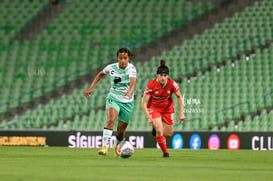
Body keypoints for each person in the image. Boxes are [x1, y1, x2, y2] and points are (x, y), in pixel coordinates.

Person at [84, 48, 137, 157]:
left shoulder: (131, 69)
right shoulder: (111, 67)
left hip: (127, 102)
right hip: (113, 98)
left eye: (125, 58)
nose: (123, 61)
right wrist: (91, 87)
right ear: (117, 58)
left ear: (129, 58)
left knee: (121, 131)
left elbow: (132, 84)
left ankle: (117, 148)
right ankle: (104, 147)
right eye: (120, 58)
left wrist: (129, 92)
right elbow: (100, 74)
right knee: (111, 119)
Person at [141, 60, 185, 158]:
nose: (163, 77)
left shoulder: (172, 84)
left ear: (167, 76)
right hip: (154, 108)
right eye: (161, 75)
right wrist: (148, 117)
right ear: (157, 76)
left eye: (165, 75)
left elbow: (179, 96)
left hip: (167, 109)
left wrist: (181, 113)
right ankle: (165, 153)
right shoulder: (150, 85)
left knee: (168, 134)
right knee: (159, 130)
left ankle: (156, 129)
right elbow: (143, 103)